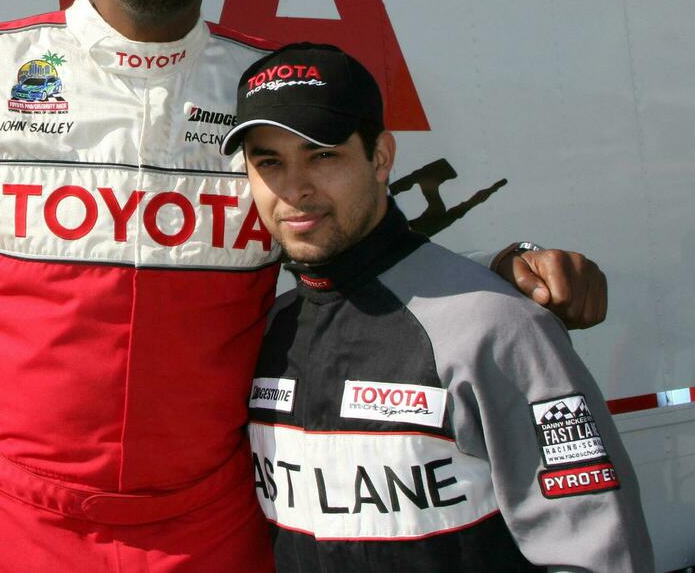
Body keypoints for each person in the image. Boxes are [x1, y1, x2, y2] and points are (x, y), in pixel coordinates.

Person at [0, 0, 608, 570]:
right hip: (8, 521)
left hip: (207, 523)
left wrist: (501, 271)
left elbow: (355, 250)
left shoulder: (265, 90)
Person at [228, 42, 652, 570]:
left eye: (322, 155)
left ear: (380, 157)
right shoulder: (266, 329)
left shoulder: (497, 325)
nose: (294, 190)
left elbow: (595, 551)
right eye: (269, 162)